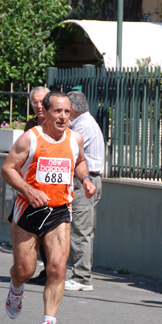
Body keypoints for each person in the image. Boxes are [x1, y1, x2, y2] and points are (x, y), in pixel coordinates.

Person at [1, 91, 96, 324]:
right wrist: (29, 190)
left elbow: (80, 162)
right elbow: (7, 169)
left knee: (57, 268)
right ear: (45, 112)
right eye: (57, 111)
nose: (63, 117)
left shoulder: (75, 139)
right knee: (25, 270)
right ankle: (16, 286)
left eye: (67, 112)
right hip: (29, 210)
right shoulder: (29, 139)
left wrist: (85, 179)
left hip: (59, 210)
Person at [64, 91, 105, 292]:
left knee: (80, 229)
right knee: (83, 227)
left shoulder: (82, 127)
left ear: (71, 110)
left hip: (85, 180)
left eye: (64, 110)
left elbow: (69, 152)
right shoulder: (85, 123)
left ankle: (81, 277)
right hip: (89, 179)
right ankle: (80, 274)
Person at [24, 86, 50, 285]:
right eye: (35, 102)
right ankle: (46, 269)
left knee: (53, 231)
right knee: (38, 230)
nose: (39, 106)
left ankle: (54, 271)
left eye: (42, 101)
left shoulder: (58, 123)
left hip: (54, 187)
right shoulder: (31, 125)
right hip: (34, 186)